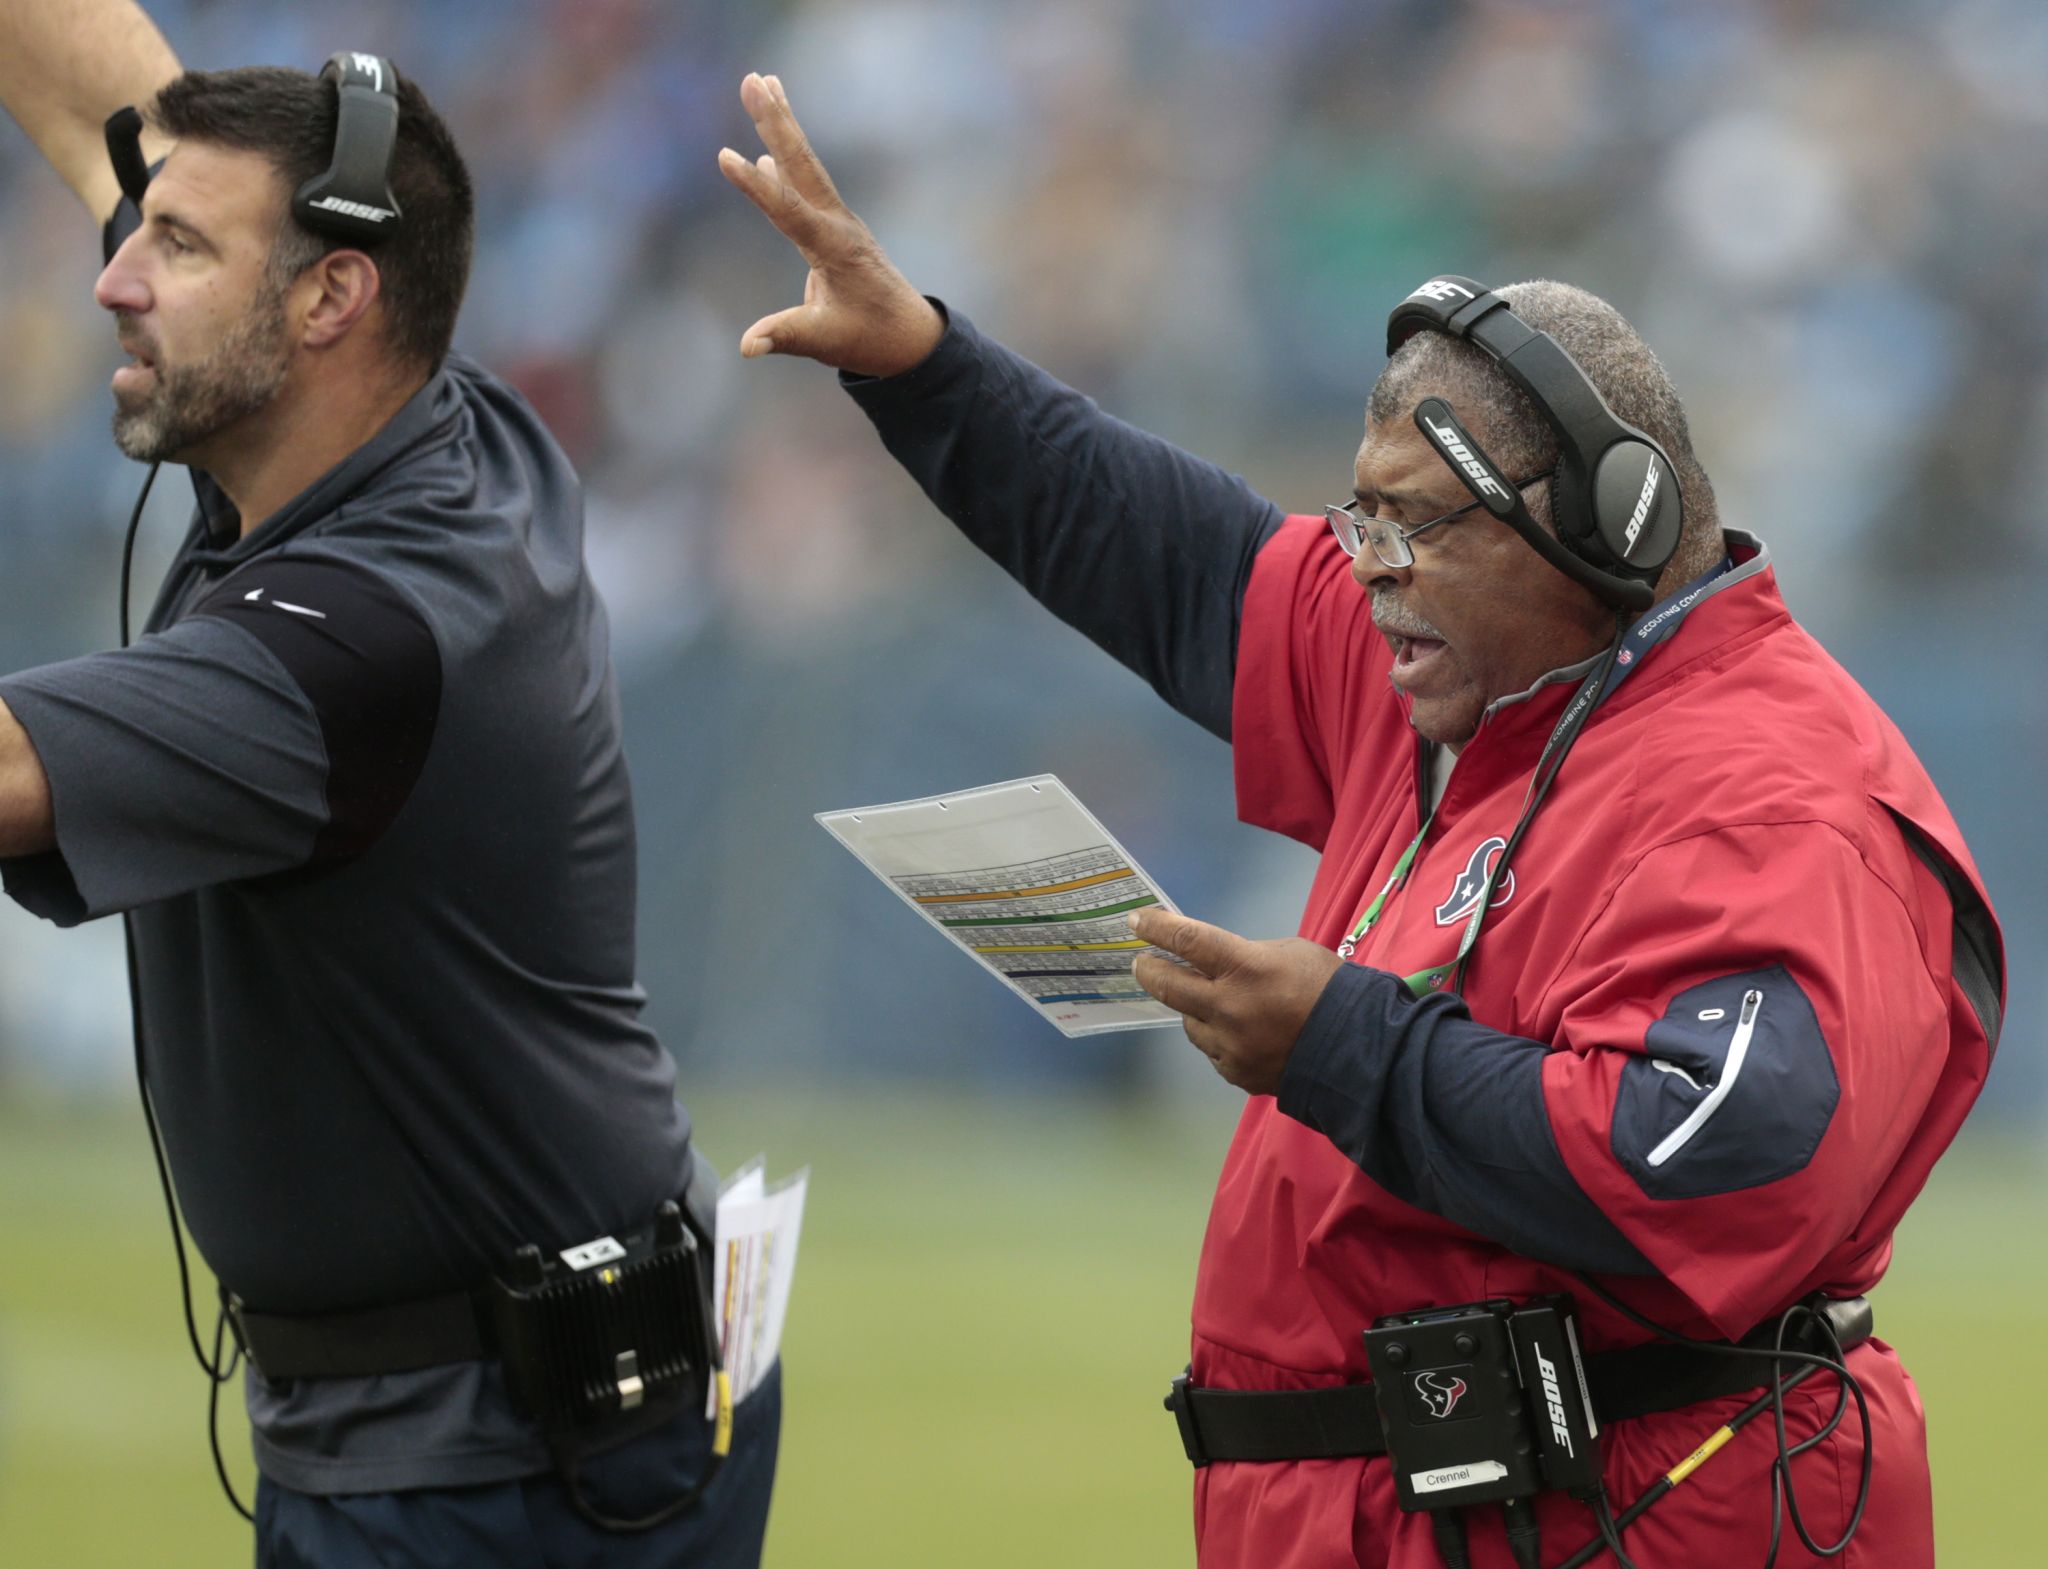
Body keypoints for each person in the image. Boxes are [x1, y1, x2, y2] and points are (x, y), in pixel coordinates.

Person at [717, 72, 1998, 1569]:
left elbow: (1717, 1157)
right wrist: (924, 367)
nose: (1370, 564)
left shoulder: (1775, 787)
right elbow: (1182, 562)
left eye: (1413, 522)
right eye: (1359, 518)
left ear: (1610, 522)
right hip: (1448, 1511)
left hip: (1639, 1516)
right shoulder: (1475, 677)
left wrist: (1344, 1046)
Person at [0, 6, 778, 1565]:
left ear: (332, 298)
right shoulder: (418, 411)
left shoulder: (363, 636)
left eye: (176, 250)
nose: (115, 278)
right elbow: (109, 94)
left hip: (512, 1455)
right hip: (507, 1402)